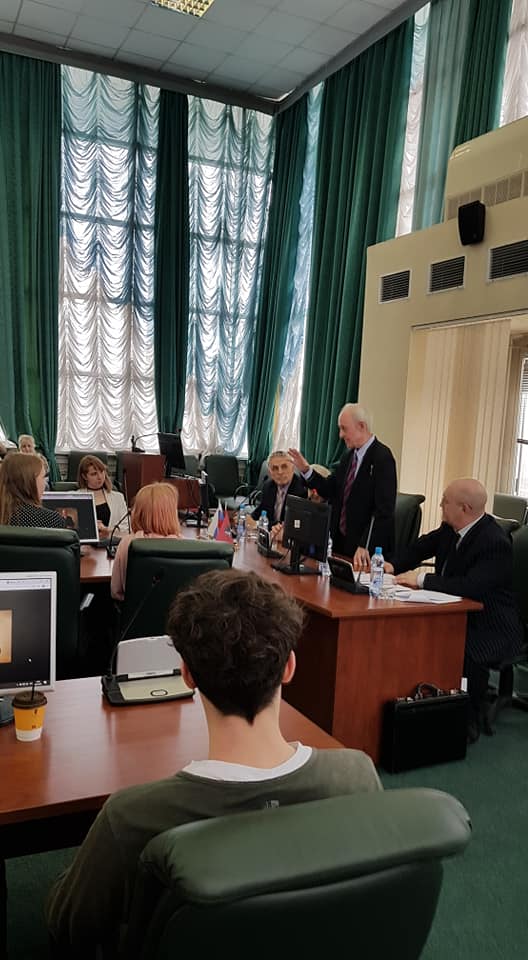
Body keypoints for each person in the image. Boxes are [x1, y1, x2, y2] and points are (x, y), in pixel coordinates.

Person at [46, 568, 381, 956]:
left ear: (187, 675)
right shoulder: (357, 777)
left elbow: (68, 925)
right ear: (289, 667)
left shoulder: (130, 818)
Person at [381, 478, 524, 739]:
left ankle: (467, 720)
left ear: (464, 508)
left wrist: (422, 579)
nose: (440, 505)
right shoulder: (451, 528)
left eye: (445, 501)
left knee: (462, 649)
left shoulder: (494, 542)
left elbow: (471, 587)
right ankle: (421, 702)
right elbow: (420, 547)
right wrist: (391, 565)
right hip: (455, 614)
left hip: (491, 625)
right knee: (415, 634)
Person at [289, 403, 397, 566]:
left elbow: (384, 510)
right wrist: (306, 470)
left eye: (344, 429)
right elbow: (330, 489)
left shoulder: (382, 457)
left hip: (365, 551)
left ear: (361, 426)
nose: (340, 435)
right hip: (340, 543)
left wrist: (365, 545)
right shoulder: (348, 456)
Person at [111, 482, 182, 600]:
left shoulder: (127, 543)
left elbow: (116, 591)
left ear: (138, 511)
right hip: (174, 611)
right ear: (172, 513)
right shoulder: (184, 545)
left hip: (135, 610)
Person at [249, 450, 307, 540]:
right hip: (271, 537)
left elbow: (288, 524)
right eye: (275, 468)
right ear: (270, 472)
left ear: (292, 468)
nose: (280, 472)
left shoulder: (301, 490)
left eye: (284, 467)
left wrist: (257, 524)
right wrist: (249, 518)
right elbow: (262, 509)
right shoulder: (268, 486)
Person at [0, 453, 66, 528]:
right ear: (30, 482)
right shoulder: (53, 520)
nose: (45, 483)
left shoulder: (5, 515)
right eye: (43, 477)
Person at [77, 455, 128, 539]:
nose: (100, 477)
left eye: (102, 472)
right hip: (84, 543)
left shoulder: (118, 497)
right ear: (84, 476)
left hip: (111, 542)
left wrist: (107, 530)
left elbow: (126, 527)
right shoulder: (77, 497)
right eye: (94, 474)